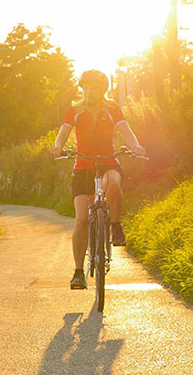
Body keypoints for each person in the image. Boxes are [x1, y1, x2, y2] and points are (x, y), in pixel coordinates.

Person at [51, 70, 146, 290]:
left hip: (108, 161)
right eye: (85, 87)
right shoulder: (74, 110)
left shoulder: (112, 108)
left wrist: (135, 147)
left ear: (102, 90)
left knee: (113, 181)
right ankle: (77, 272)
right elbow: (63, 131)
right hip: (82, 166)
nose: (89, 91)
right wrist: (57, 146)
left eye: (94, 87)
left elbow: (126, 130)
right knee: (81, 219)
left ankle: (115, 225)